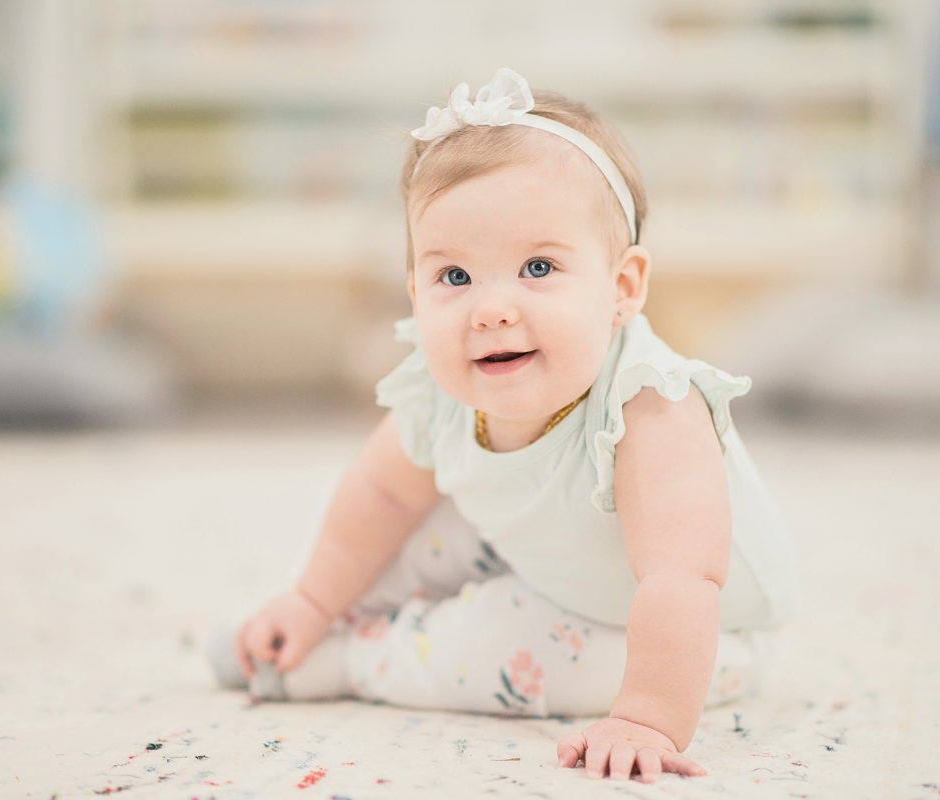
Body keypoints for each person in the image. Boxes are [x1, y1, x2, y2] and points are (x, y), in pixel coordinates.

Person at [204, 68, 801, 783]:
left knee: (530, 651)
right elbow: (381, 493)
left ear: (622, 288)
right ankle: (303, 626)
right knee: (413, 527)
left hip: (692, 629)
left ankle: (346, 660)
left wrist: (645, 716)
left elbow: (683, 578)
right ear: (415, 290)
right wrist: (312, 595)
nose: (490, 309)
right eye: (454, 277)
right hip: (540, 545)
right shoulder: (437, 390)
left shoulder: (651, 408)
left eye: (538, 267)